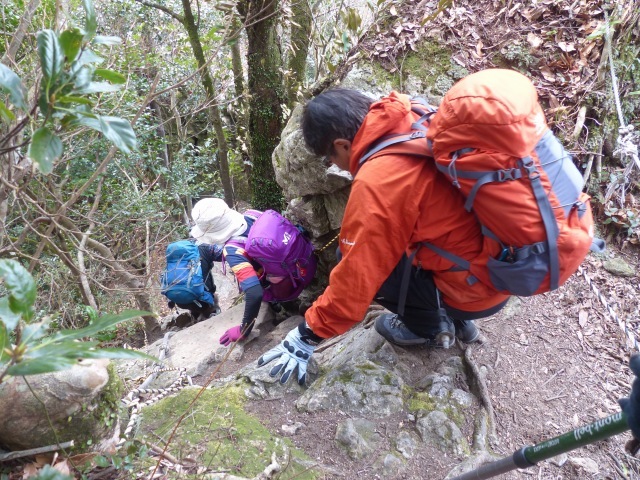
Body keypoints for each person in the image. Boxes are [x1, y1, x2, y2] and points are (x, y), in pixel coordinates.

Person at [257, 87, 511, 385]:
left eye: (330, 158)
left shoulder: (378, 182)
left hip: (474, 289)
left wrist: (306, 335)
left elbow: (355, 282)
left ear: (342, 145)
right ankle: (460, 321)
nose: (333, 165)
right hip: (501, 266)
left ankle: (427, 328)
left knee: (351, 258)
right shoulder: (415, 113)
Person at [189, 198, 281, 346]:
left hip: (280, 282)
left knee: (202, 250)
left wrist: (244, 330)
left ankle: (208, 301)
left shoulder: (233, 251)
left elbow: (254, 293)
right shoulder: (253, 215)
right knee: (203, 249)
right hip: (296, 262)